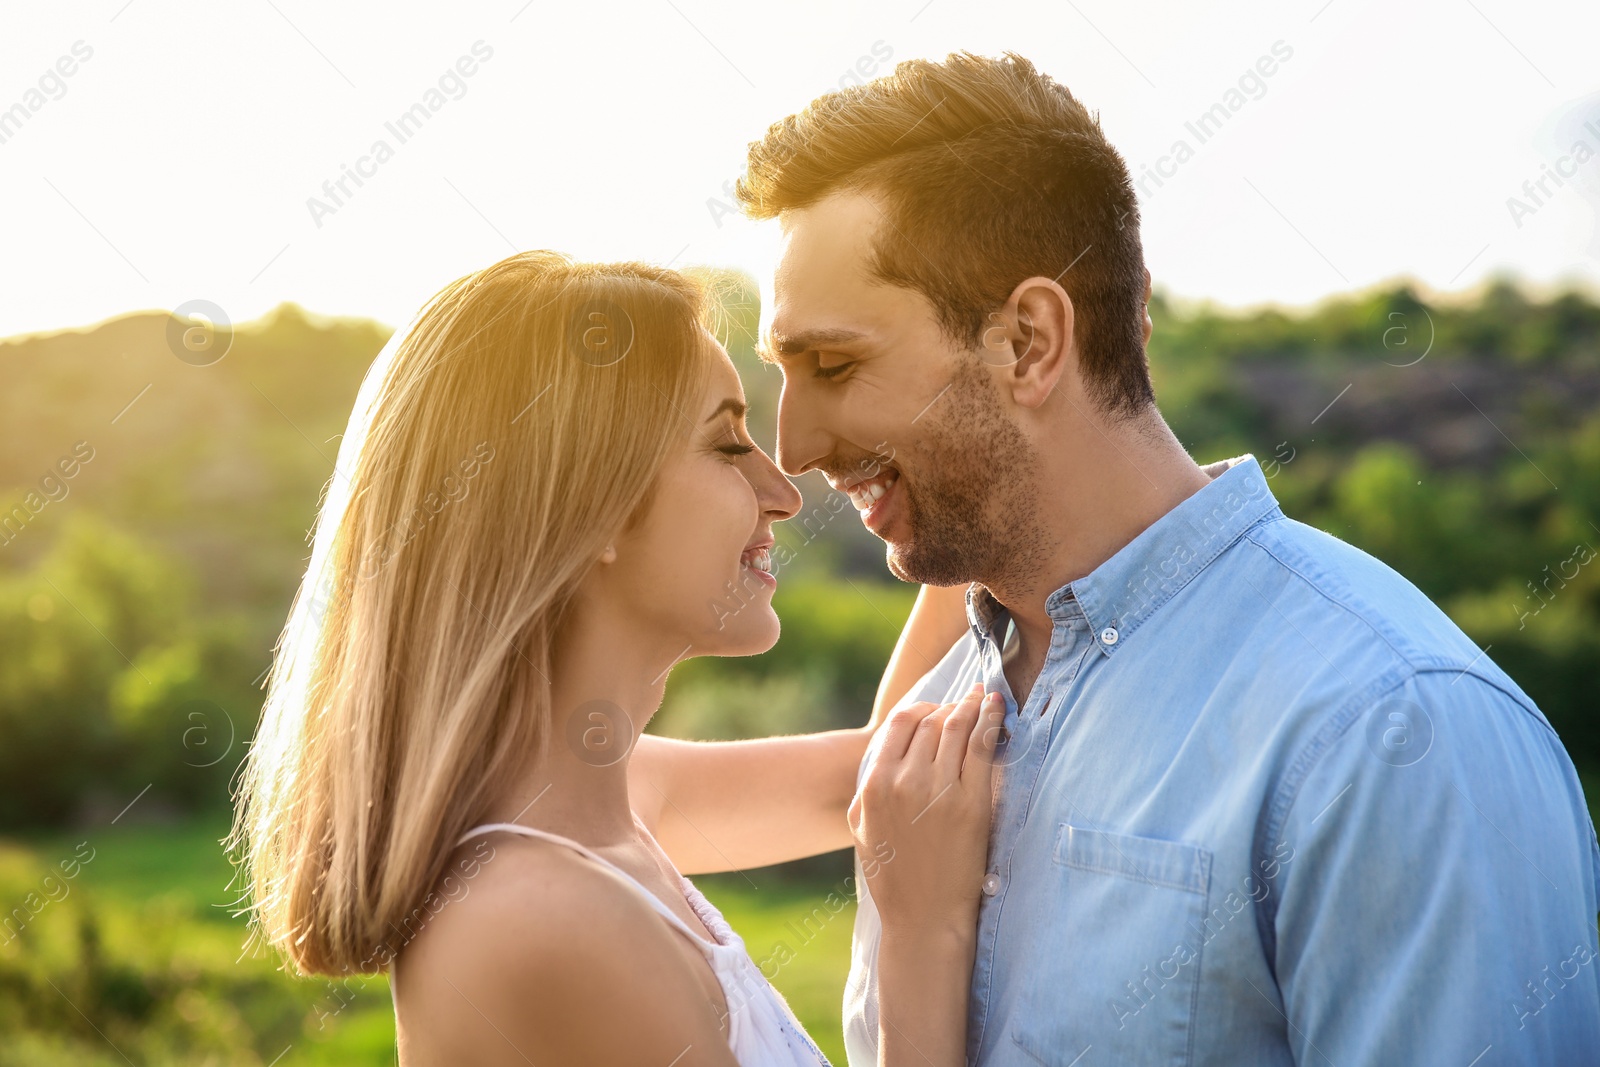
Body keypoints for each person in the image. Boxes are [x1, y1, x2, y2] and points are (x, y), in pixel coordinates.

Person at [731, 51, 1600, 1065]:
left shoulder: (1390, 723)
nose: (791, 448)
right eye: (781, 374)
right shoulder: (936, 711)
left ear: (1028, 341)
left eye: (833, 365)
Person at [230, 251, 1001, 1066]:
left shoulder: (602, 804)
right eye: (727, 444)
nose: (782, 491)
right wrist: (923, 935)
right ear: (588, 507)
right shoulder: (543, 922)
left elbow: (891, 767)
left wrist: (978, 474)